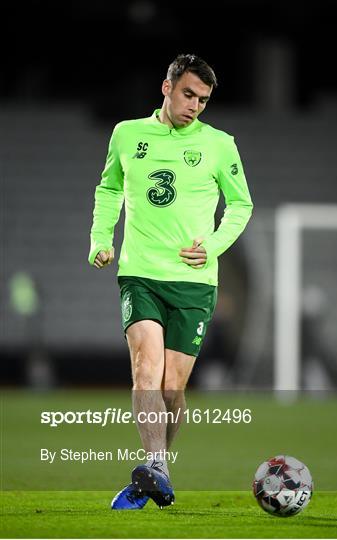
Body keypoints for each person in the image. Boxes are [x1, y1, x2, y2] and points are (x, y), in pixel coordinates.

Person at [88, 53, 253, 510]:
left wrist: (214, 245)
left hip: (194, 282)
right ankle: (156, 466)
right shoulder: (127, 134)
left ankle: (156, 471)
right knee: (145, 367)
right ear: (167, 87)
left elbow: (241, 205)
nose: (195, 105)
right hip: (139, 273)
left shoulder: (220, 144)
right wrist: (101, 238)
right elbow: (109, 188)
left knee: (171, 391)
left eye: (203, 99)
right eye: (188, 94)